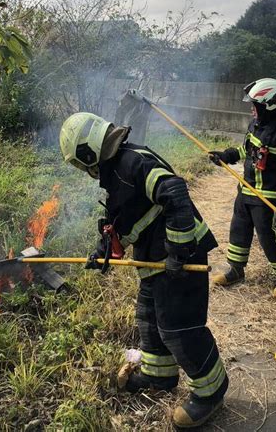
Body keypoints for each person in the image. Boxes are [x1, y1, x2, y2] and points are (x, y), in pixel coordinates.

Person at [59, 112, 228, 428]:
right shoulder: (117, 169)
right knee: (148, 318)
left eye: (79, 164)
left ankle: (211, 390)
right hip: (155, 262)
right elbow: (125, 219)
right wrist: (102, 252)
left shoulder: (133, 162)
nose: (83, 171)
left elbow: (175, 192)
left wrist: (177, 251)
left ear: (87, 151)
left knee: (178, 328)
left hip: (181, 258)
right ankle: (159, 375)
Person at [209, 78, 276, 299]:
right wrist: (226, 155)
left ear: (268, 105)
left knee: (267, 237)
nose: (252, 109)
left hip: (267, 198)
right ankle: (235, 269)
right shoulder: (255, 126)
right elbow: (246, 151)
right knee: (238, 230)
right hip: (245, 192)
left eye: (256, 105)